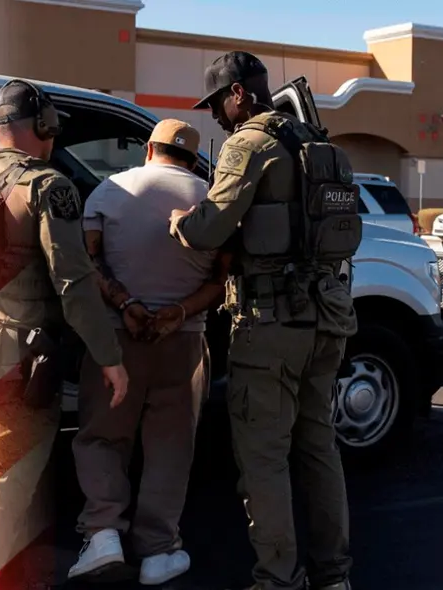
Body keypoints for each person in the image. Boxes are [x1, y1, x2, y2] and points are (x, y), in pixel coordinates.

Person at [169, 51, 359, 590]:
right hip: (327, 318)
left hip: (271, 324)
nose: (216, 118)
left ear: (237, 95)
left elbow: (209, 227)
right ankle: (334, 576)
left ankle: (277, 580)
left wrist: (180, 222)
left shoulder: (248, 144)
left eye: (217, 105)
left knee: (265, 458)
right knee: (320, 448)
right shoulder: (323, 149)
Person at [0, 79, 129, 589]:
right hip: (17, 358)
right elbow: (74, 283)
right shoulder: (49, 186)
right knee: (5, 487)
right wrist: (109, 357)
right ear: (41, 126)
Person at [67, 119, 226, 585]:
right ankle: (158, 551)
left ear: (149, 149)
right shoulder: (211, 200)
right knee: (171, 446)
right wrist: (176, 312)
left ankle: (102, 534)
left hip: (117, 338)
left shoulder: (109, 190)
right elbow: (221, 280)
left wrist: (126, 303)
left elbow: (86, 261)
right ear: (195, 159)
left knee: (101, 436)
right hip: (183, 341)